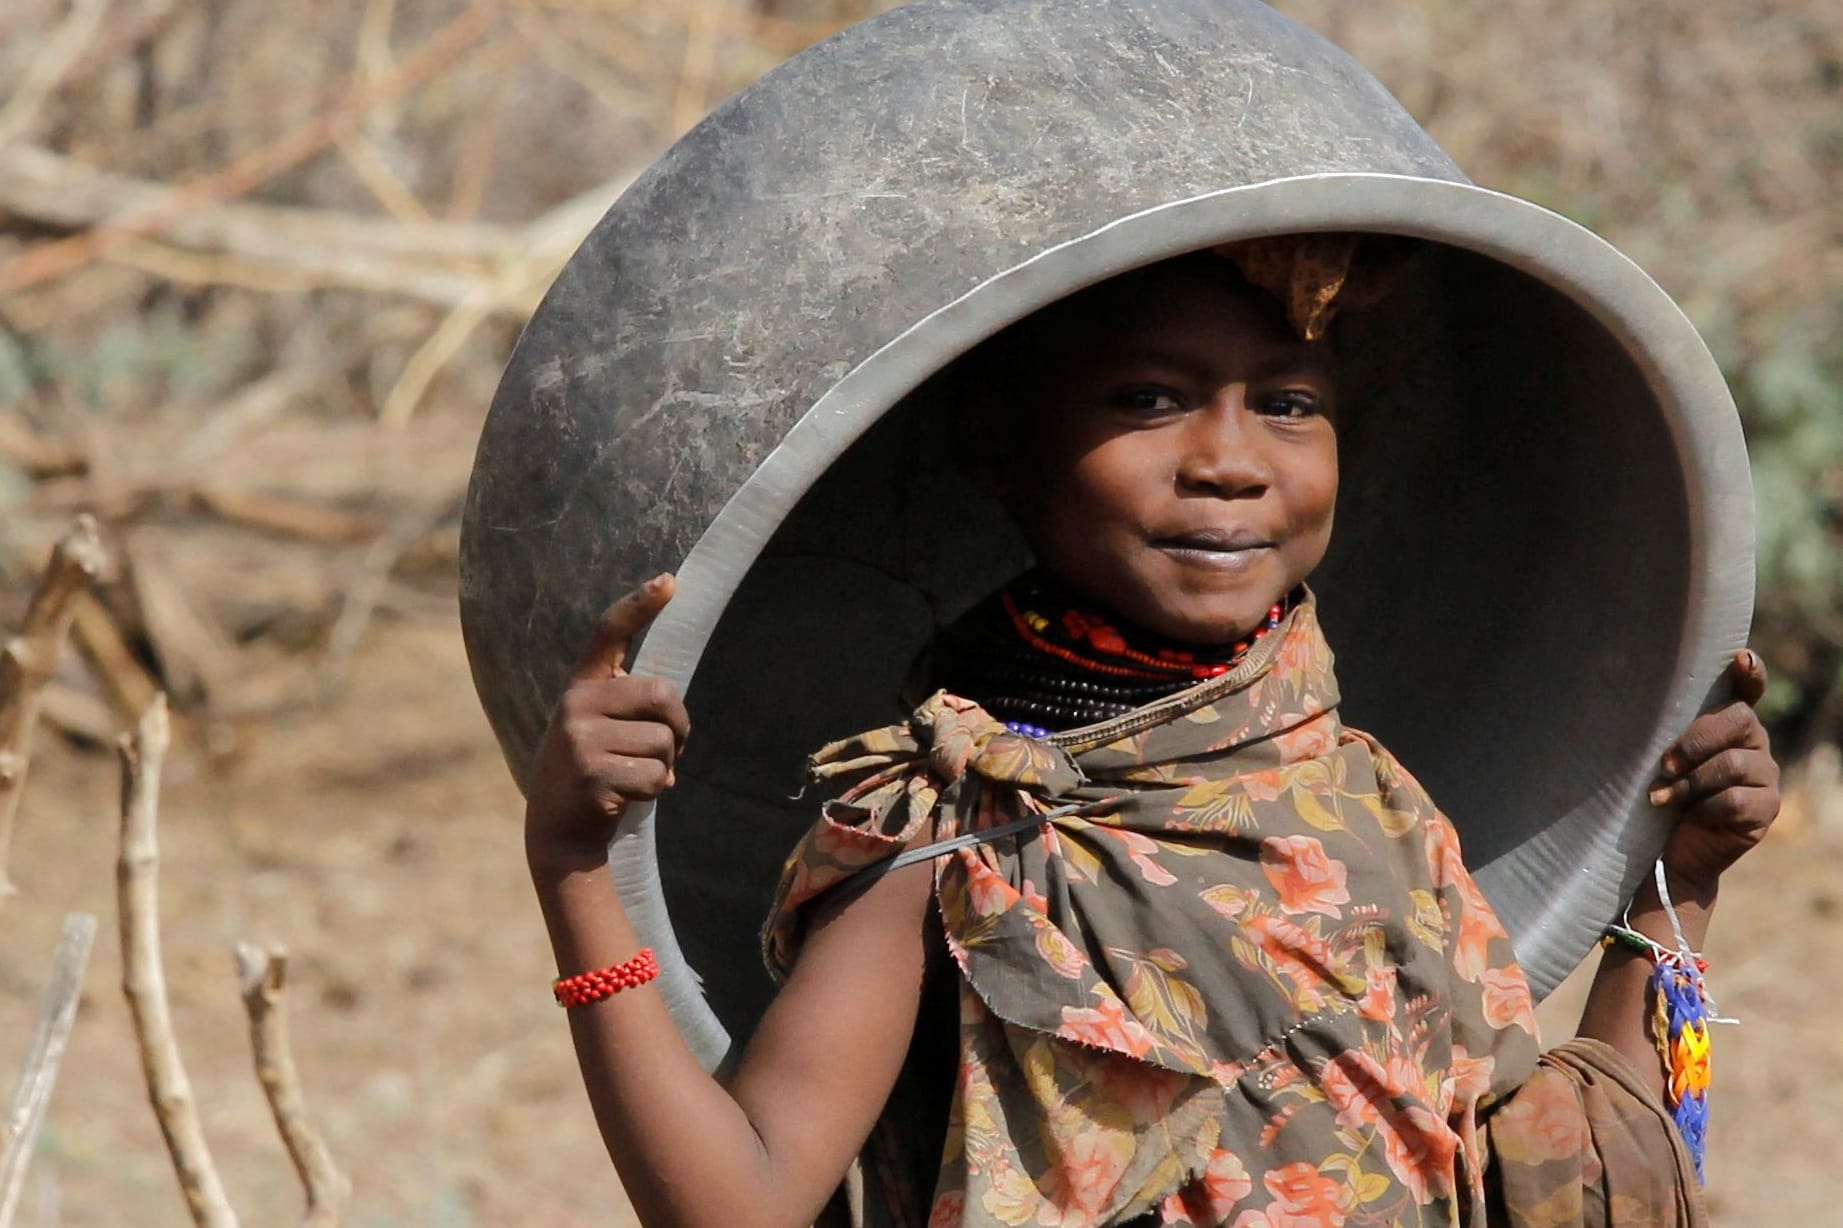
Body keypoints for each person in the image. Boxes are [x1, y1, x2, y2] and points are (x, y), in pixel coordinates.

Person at [520, 247, 1780, 1228]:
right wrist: (577, 874)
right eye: (1148, 398)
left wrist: (1682, 889)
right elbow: (736, 1199)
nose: (1227, 461)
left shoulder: (1369, 804)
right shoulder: (964, 829)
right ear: (1002, 445)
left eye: (1287, 403)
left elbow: (1572, 1182)